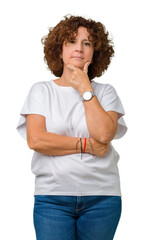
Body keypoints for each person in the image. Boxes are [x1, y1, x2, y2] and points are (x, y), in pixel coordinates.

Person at [16, 14, 127, 240]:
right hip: (53, 198)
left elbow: (105, 134)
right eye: (71, 42)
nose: (79, 48)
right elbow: (37, 140)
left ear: (95, 52)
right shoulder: (41, 91)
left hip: (102, 198)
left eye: (86, 43)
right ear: (59, 49)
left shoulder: (105, 92)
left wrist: (85, 89)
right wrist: (87, 145)